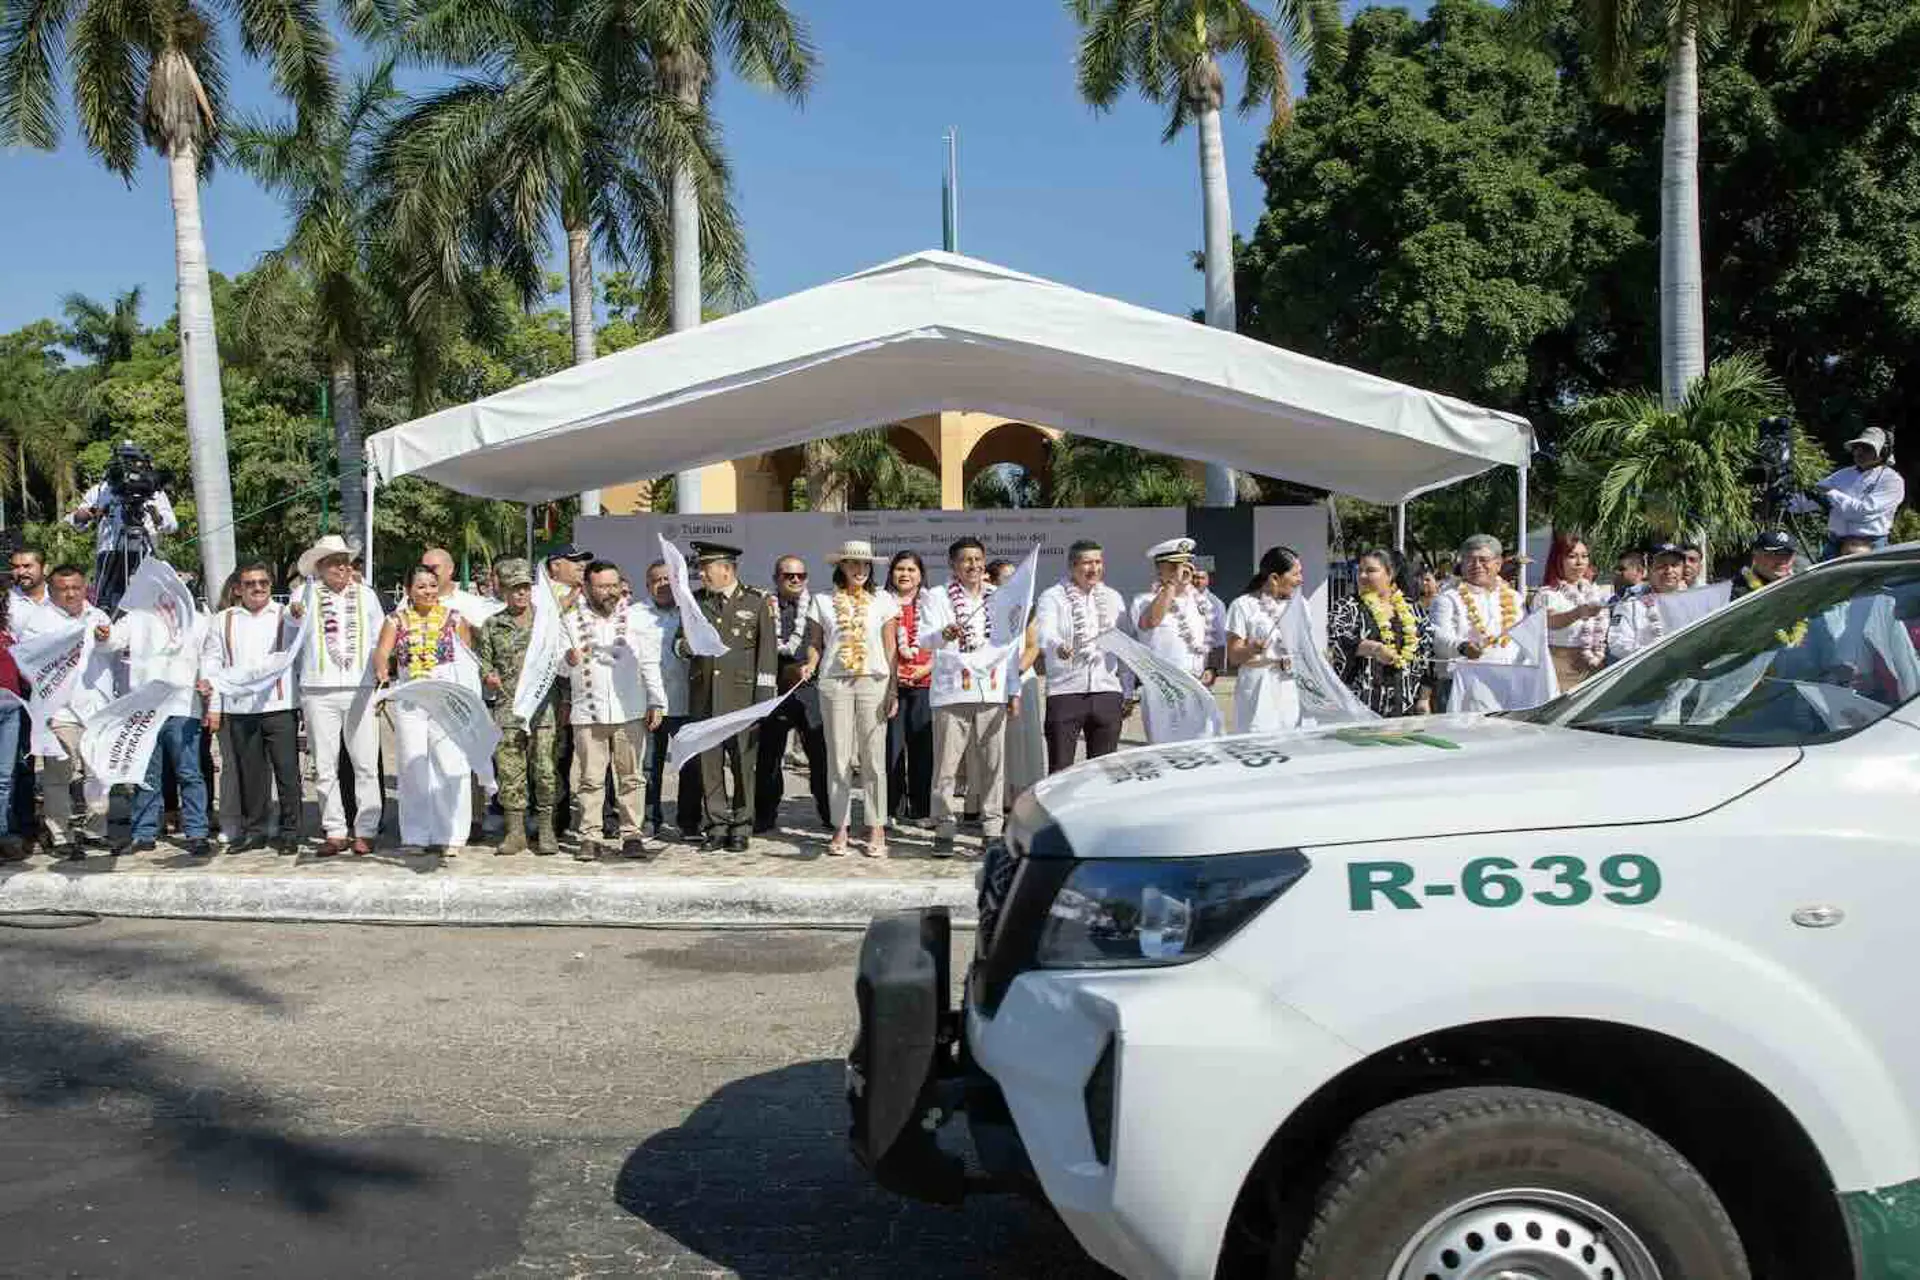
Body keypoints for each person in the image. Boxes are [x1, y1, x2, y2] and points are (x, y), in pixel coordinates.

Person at [287, 535, 385, 856]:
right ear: (319, 567)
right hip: (318, 690)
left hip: (360, 688)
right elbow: (290, 625)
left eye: (345, 560)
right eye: (333, 561)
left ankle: (366, 829)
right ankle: (335, 830)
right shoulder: (305, 594)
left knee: (365, 763)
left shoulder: (366, 596)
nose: (342, 566)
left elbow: (378, 637)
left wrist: (381, 670)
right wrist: (295, 612)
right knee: (325, 765)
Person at [800, 540, 899, 857]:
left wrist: (893, 688)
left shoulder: (883, 600)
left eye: (865, 565)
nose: (860, 570)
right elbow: (815, 643)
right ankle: (840, 826)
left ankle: (877, 826)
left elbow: (891, 648)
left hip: (874, 681)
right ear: (841, 566)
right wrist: (811, 663)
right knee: (839, 758)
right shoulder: (822, 600)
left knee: (873, 758)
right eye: (853, 564)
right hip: (835, 683)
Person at [106, 570, 214, 858]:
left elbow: (210, 656)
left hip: (183, 705)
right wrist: (103, 633)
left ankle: (197, 832)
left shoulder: (197, 619)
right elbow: (113, 640)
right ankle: (144, 833)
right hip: (146, 709)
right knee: (146, 774)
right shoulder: (137, 618)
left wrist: (208, 682)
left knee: (189, 773)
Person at [372, 565, 480, 852]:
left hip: (444, 697)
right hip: (411, 699)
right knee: (413, 764)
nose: (428, 591)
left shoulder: (454, 619)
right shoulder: (395, 620)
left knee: (450, 762)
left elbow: (467, 661)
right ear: (408, 590)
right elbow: (382, 652)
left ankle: (451, 835)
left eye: (432, 585)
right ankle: (416, 835)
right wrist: (382, 670)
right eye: (421, 586)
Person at [561, 559, 663, 860]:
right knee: (590, 779)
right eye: (602, 586)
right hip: (588, 711)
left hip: (629, 709)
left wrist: (656, 701)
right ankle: (589, 836)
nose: (610, 592)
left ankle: (632, 835)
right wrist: (568, 660)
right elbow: (557, 667)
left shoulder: (636, 620)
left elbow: (649, 663)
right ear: (588, 588)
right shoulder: (570, 621)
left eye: (614, 585)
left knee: (631, 776)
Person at [683, 541, 778, 852]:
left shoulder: (757, 601)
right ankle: (717, 824)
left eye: (706, 568)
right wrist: (685, 647)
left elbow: (767, 654)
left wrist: (763, 699)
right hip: (705, 696)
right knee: (709, 765)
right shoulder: (695, 602)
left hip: (742, 698)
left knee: (742, 764)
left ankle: (741, 824)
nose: (701, 574)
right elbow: (679, 643)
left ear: (726, 569)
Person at [203, 562, 302, 854]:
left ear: (271, 586)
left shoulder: (285, 615)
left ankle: (290, 832)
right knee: (251, 774)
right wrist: (210, 684)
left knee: (287, 773)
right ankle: (256, 830)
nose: (258, 588)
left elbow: (301, 633)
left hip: (279, 704)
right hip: (241, 707)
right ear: (238, 588)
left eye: (263, 583)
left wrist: (298, 615)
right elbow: (212, 658)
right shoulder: (224, 619)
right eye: (250, 583)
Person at [922, 536, 1009, 853]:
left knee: (992, 764)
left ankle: (992, 828)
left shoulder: (999, 596)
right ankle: (944, 828)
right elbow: (924, 639)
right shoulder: (936, 596)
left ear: (984, 562)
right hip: (953, 691)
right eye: (965, 560)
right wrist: (943, 634)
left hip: (991, 689)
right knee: (946, 766)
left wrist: (1010, 688)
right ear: (953, 565)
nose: (972, 565)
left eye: (977, 559)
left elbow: (1008, 643)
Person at [476, 558, 562, 856]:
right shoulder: (492, 625)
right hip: (508, 709)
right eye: (514, 589)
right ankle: (515, 832)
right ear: (503, 591)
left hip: (543, 710)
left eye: (525, 588)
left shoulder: (547, 623)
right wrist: (488, 675)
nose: (521, 594)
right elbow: (484, 663)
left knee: (545, 769)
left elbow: (559, 662)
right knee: (511, 771)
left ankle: (546, 829)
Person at [38, 565, 115, 857]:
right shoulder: (40, 620)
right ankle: (61, 836)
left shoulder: (99, 616)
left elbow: (114, 654)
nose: (70, 593)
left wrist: (107, 638)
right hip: (59, 712)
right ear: (52, 590)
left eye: (75, 587)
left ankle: (96, 831)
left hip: (97, 709)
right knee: (59, 776)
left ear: (85, 588)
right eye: (62, 588)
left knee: (98, 774)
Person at [1034, 539, 1129, 770]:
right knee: (1061, 767)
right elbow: (1044, 632)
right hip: (1066, 692)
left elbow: (1125, 644)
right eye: (1087, 563)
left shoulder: (1113, 597)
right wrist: (1058, 646)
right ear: (1072, 565)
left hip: (1107, 691)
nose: (1094, 568)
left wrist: (1126, 690)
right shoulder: (1052, 596)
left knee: (1105, 768)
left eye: (1098, 562)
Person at [756, 555, 829, 834]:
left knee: (820, 757)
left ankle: (829, 813)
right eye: (788, 575)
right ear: (776, 579)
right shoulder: (764, 607)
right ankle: (764, 814)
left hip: (810, 693)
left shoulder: (818, 607)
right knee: (768, 758)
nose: (795, 579)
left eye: (800, 575)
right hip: (775, 691)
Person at [67, 441, 179, 610]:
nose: (130, 466)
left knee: (145, 603)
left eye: (133, 461)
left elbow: (172, 525)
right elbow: (77, 521)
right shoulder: (103, 489)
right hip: (109, 554)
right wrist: (86, 513)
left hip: (143, 553)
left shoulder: (153, 489)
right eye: (125, 461)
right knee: (107, 603)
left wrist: (157, 516)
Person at [1328, 547, 1430, 717]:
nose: (1362, 576)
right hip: (1359, 703)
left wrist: (1424, 699)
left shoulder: (1413, 610)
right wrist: (1373, 649)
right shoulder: (1347, 607)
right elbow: (1338, 640)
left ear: (1390, 575)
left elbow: (1426, 654)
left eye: (1371, 571)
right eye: (1359, 570)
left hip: (1404, 702)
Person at [640, 560, 702, 839]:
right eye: (657, 580)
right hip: (648, 705)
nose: (663, 584)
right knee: (649, 766)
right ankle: (650, 818)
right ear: (648, 585)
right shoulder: (634, 615)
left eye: (668, 579)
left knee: (690, 765)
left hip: (687, 702)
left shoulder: (693, 614)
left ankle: (689, 822)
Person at [1226, 546, 1306, 734]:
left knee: (1292, 742)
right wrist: (1250, 649)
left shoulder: (1300, 606)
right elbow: (1233, 656)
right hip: (1258, 688)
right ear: (1274, 578)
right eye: (1295, 574)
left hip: (1291, 686)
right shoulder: (1243, 605)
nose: (1300, 580)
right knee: (1259, 742)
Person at [544, 544, 593, 837]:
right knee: (556, 755)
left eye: (583, 561)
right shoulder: (541, 594)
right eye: (573, 561)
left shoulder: (591, 592)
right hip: (557, 684)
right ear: (554, 566)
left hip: (589, 682)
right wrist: (567, 601)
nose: (580, 566)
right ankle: (554, 819)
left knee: (593, 755)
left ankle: (598, 818)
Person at [885, 551, 937, 823]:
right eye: (899, 569)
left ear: (920, 574)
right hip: (889, 686)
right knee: (891, 748)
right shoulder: (881, 603)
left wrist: (925, 669)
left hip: (925, 682)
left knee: (923, 748)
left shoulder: (933, 602)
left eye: (911, 569)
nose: (905, 574)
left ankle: (921, 808)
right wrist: (893, 676)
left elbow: (944, 644)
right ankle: (890, 807)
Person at [1431, 535, 1526, 677]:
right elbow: (1438, 637)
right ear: (1462, 564)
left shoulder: (1515, 598)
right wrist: (1462, 647)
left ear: (1498, 564)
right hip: (1461, 683)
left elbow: (1525, 637)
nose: (1476, 565)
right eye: (1469, 560)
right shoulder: (1448, 598)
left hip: (1508, 680)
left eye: (1483, 560)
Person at [1811, 427, 1905, 558]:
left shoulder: (1892, 480)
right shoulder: (1842, 474)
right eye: (1856, 447)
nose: (1859, 452)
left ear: (1883, 452)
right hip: (1834, 545)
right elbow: (1813, 497)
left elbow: (1862, 513)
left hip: (1868, 547)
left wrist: (1830, 493)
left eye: (1867, 448)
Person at [1537, 535, 1611, 691]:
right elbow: (1549, 621)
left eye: (1584, 556)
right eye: (1572, 556)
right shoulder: (1547, 594)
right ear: (1558, 560)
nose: (1579, 563)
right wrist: (1576, 613)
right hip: (1560, 667)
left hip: (1594, 665)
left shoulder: (1594, 591)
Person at [1607, 543, 1689, 661]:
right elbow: (1617, 644)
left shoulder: (1693, 600)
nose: (1669, 570)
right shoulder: (1631, 605)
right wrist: (1652, 653)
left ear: (1682, 569)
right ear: (1650, 569)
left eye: (1675, 565)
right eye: (1662, 565)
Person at [8, 549, 61, 639]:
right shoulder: (6, 602)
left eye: (27, 566)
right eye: (16, 567)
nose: (21, 572)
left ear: (45, 568)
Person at [1190, 556, 1230, 675]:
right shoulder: (1181, 599)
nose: (1198, 581)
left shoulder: (1215, 604)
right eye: (1194, 577)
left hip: (1205, 661)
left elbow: (1219, 639)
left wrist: (1213, 669)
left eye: (1202, 578)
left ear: (1208, 580)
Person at [1732, 531, 1797, 600]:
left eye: (1789, 554)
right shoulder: (1737, 593)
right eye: (1775, 554)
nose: (1784, 560)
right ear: (1756, 554)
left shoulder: (1804, 575)